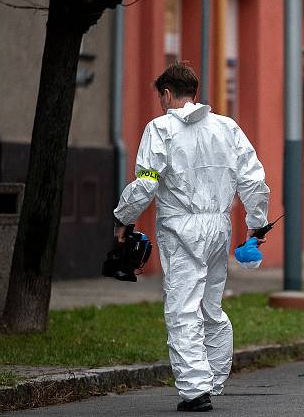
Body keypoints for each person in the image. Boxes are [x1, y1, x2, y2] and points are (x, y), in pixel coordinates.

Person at [112, 62, 270, 412]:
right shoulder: (227, 128)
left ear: (166, 94)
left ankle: (195, 390)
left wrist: (124, 218)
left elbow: (148, 181)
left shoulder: (160, 129)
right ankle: (212, 378)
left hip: (181, 228)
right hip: (219, 226)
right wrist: (256, 226)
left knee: (183, 307)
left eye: (161, 97)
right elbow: (253, 180)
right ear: (194, 93)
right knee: (210, 306)